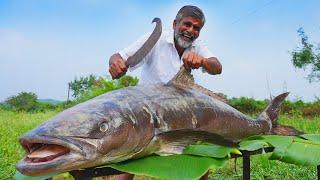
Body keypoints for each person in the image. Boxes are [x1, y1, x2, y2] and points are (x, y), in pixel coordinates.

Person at [108, 5, 221, 180]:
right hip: (148, 110)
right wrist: (116, 63)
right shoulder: (155, 39)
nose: (190, 30)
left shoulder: (197, 45)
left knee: (198, 164)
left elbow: (217, 67)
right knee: (127, 162)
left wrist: (204, 61)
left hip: (181, 112)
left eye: (196, 28)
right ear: (175, 23)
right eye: (187, 24)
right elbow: (119, 56)